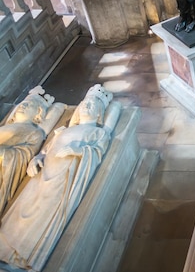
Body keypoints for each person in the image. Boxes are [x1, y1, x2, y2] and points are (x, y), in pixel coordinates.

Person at [0, 84, 120, 271]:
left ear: (99, 114)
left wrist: (78, 150)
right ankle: (5, 250)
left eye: (93, 105)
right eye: (85, 103)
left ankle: (21, 259)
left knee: (42, 215)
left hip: (63, 179)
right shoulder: (62, 131)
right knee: (23, 210)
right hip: (42, 176)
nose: (87, 106)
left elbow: (97, 151)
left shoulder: (98, 132)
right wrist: (36, 159)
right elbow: (46, 149)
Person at [0, 86, 64, 213]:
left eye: (29, 105)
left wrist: (2, 153)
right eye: (23, 103)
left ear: (38, 113)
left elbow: (23, 155)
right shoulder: (7, 126)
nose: (23, 106)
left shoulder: (34, 132)